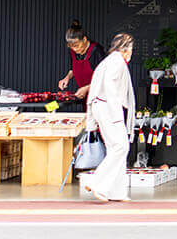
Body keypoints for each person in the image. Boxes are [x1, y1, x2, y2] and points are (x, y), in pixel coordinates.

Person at [83, 32, 136, 202]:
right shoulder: (117, 61)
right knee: (121, 147)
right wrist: (116, 113)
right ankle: (96, 182)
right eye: (131, 48)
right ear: (126, 48)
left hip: (102, 106)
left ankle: (116, 192)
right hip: (108, 108)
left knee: (117, 149)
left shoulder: (109, 61)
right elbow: (110, 86)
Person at [58, 20, 104, 99]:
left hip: (100, 96)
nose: (74, 49)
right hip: (84, 95)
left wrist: (87, 88)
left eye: (76, 46)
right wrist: (67, 78)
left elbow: (104, 77)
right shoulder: (72, 51)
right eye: (71, 46)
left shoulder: (96, 50)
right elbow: (73, 69)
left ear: (85, 39)